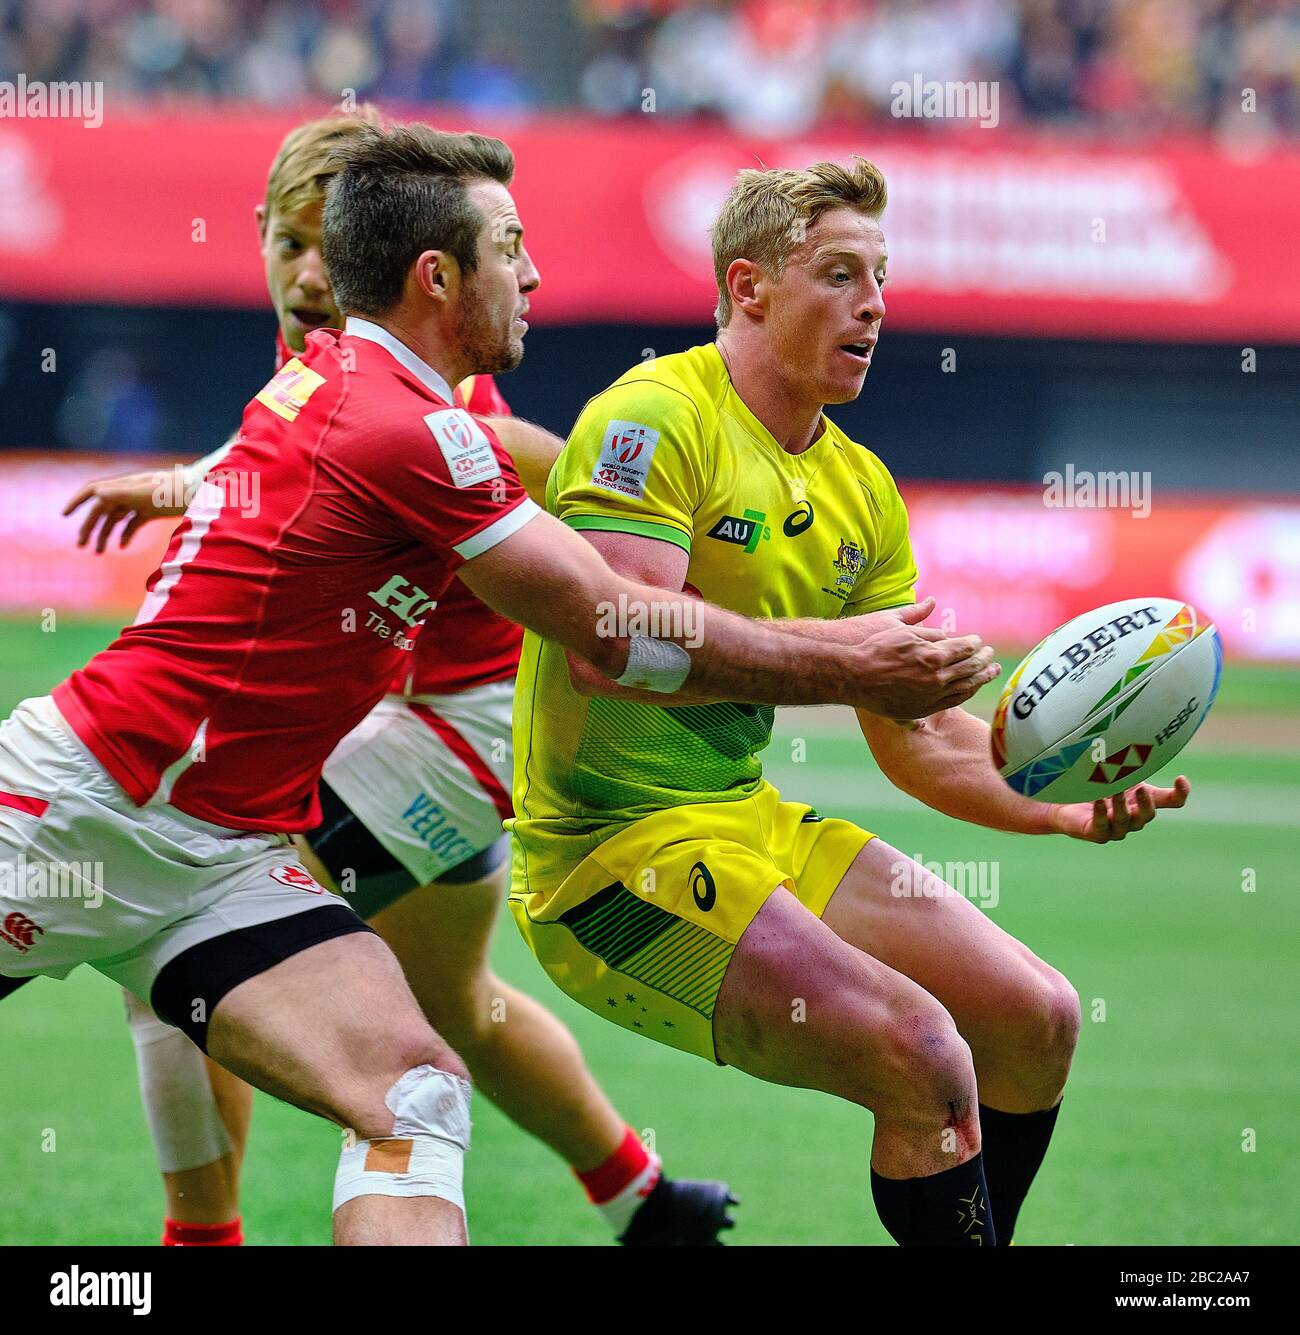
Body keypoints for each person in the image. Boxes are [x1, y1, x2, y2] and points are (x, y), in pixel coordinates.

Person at [3, 125, 992, 1246]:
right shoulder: (398, 420)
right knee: (455, 1014)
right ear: (437, 276)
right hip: (81, 806)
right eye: (511, 248)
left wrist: (187, 482)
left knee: (416, 1093)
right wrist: (853, 657)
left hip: (230, 855)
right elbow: (613, 628)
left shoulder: (361, 389)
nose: (533, 277)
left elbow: (559, 551)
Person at [63, 108, 735, 1247]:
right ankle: (643, 1196)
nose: (312, 272)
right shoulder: (326, 371)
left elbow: (536, 460)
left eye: (333, 245)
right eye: (289, 243)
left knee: (175, 916)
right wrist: (188, 481)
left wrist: (674, 550)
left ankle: (201, 1240)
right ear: (260, 239)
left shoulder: (428, 388)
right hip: (414, 731)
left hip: (450, 736)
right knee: (456, 1007)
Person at [506, 158, 1193, 1246]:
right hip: (605, 863)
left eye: (881, 275)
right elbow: (617, 644)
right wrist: (842, 661)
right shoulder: (653, 418)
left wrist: (1053, 802)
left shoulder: (860, 490)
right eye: (839, 272)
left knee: (1035, 1018)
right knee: (920, 1053)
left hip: (744, 823)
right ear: (748, 289)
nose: (874, 303)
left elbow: (918, 735)